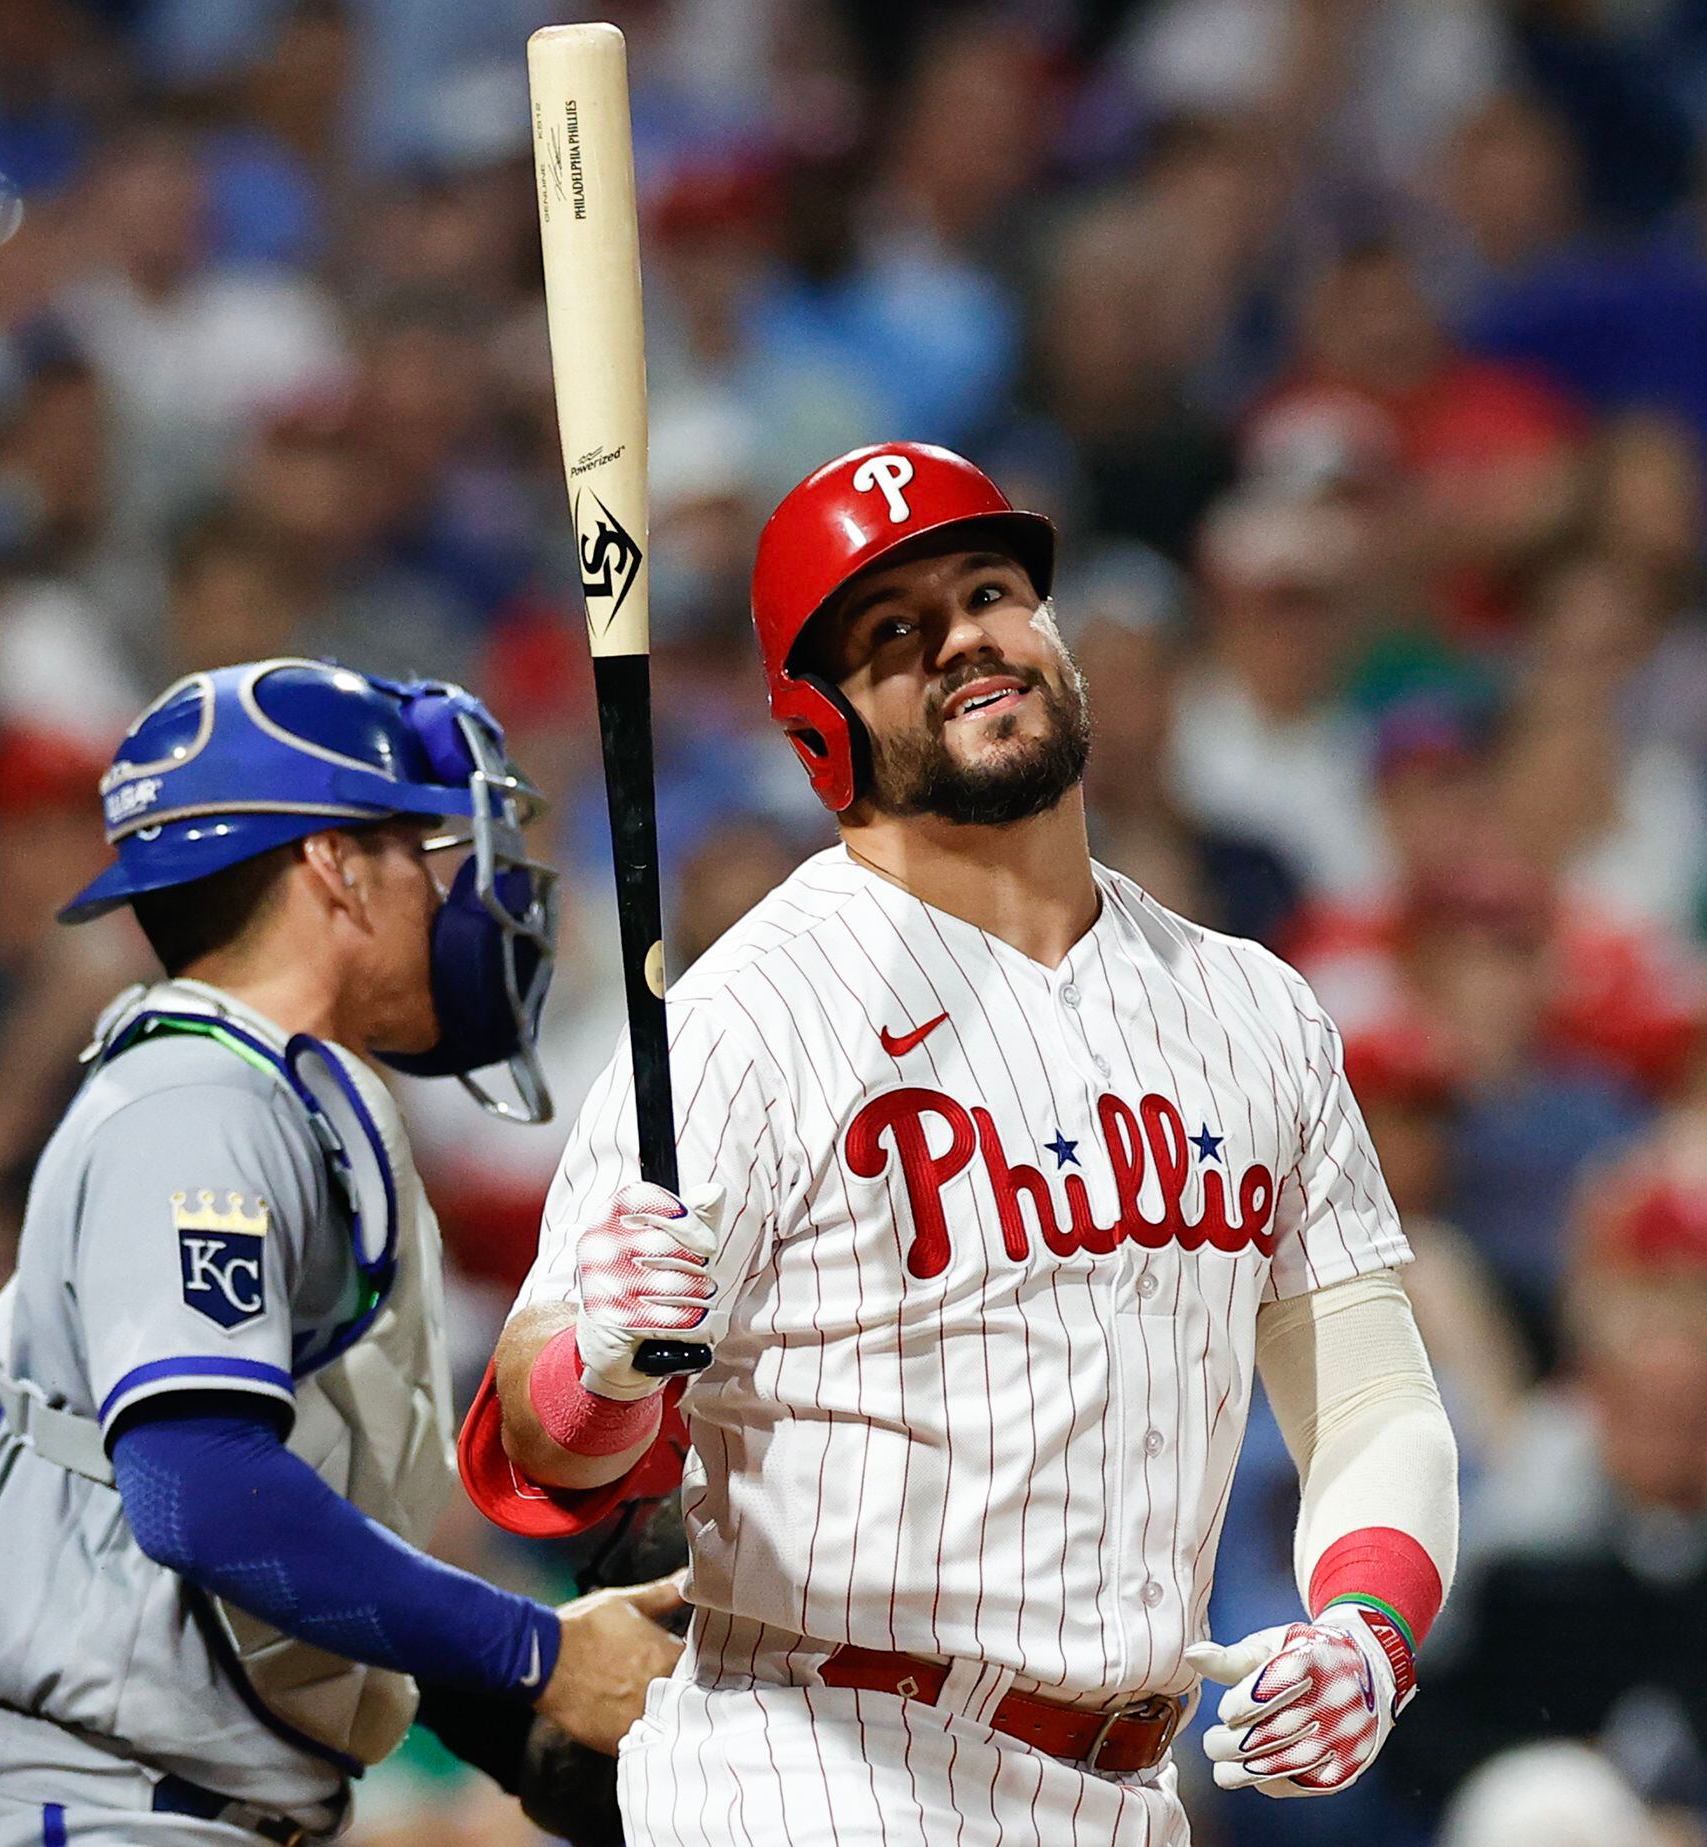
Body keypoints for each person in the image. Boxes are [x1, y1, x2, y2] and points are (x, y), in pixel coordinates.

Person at [460, 445, 1462, 1844]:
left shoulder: (1251, 1006)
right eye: (894, 632)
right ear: (823, 729)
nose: (965, 638)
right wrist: (601, 1363)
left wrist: (1368, 1627)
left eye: (990, 590)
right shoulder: (750, 1014)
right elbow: (539, 1448)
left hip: (1124, 1789)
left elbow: (1371, 1404)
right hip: (817, 1761)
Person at [0, 658, 683, 1846]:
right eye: (414, 846)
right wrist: (541, 1652)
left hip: (154, 1803)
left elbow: (291, 1556)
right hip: (79, 1806)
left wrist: (517, 1724)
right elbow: (201, 1492)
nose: (450, 891)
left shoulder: (286, 1105)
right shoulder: (196, 1099)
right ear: (333, 866)